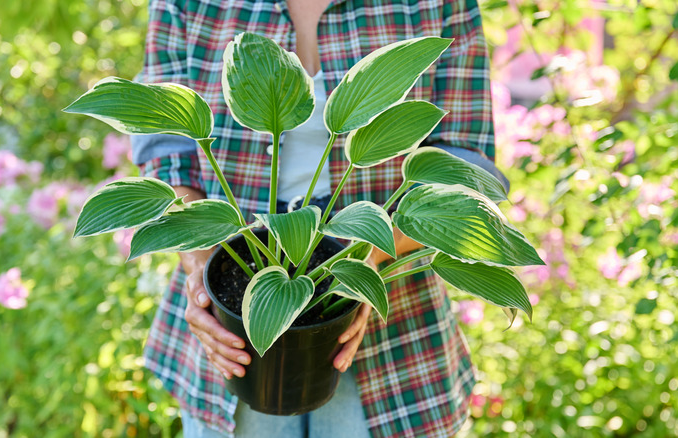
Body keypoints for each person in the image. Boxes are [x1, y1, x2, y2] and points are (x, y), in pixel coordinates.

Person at [131, 0, 507, 436]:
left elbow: (466, 161)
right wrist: (200, 271)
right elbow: (166, 156)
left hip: (396, 323)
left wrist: (370, 260)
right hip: (233, 307)